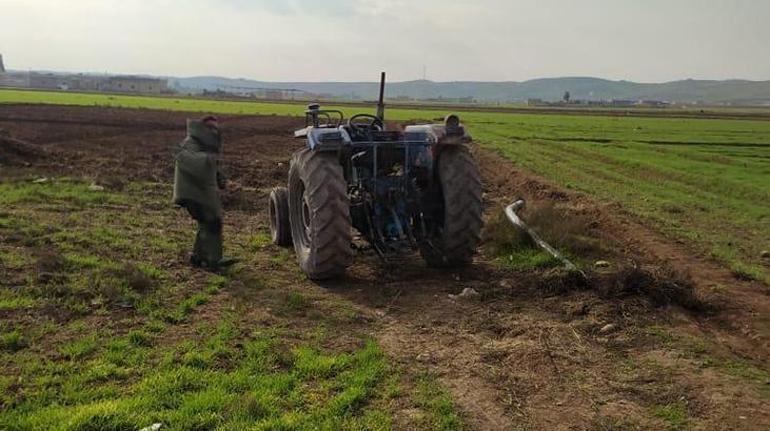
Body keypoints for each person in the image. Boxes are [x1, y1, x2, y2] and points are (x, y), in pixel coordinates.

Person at [173, 115, 237, 270]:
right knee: (212, 222)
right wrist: (207, 159)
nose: (215, 131)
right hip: (192, 193)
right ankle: (213, 261)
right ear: (204, 129)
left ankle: (198, 257)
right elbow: (184, 159)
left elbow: (211, 168)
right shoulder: (191, 142)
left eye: (216, 128)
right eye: (212, 128)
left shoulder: (203, 144)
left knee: (206, 223)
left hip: (199, 192)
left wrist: (221, 180)